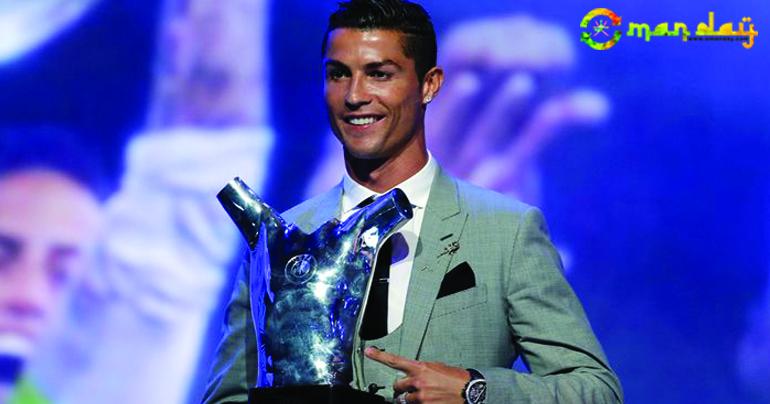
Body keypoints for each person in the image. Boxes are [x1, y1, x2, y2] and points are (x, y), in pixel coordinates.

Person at [203, 0, 622, 403]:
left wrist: (475, 390)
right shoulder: (280, 237)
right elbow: (228, 397)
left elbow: (596, 390)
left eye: (379, 74)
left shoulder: (507, 231)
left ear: (429, 85)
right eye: (337, 75)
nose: (354, 95)